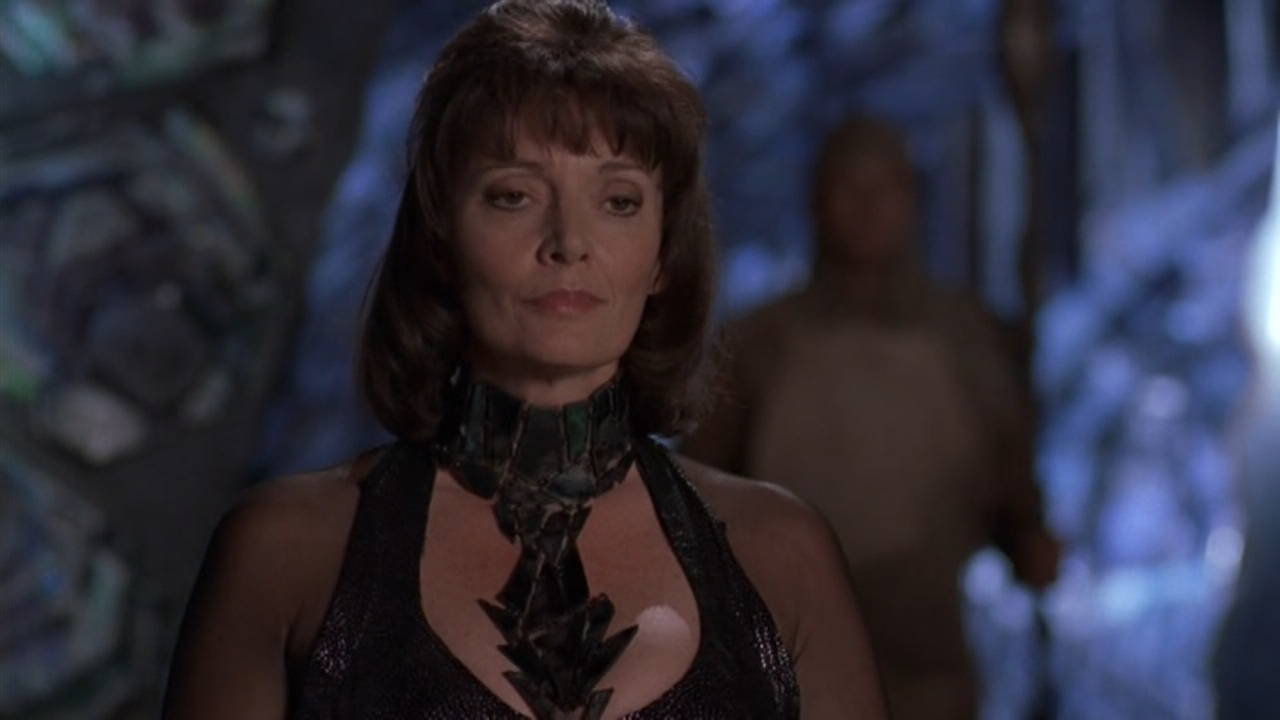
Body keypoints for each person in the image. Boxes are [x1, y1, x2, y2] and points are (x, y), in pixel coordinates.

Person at [161, 2, 888, 718]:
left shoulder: (779, 558)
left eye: (618, 201)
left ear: (664, 255)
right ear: (440, 237)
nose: (568, 242)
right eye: (514, 195)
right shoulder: (293, 552)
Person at [681, 115, 1061, 720]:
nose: (868, 207)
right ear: (818, 202)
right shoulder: (762, 343)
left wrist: (1027, 537)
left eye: (885, 188)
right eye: (849, 188)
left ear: (910, 201)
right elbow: (696, 491)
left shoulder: (963, 338)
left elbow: (1009, 474)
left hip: (928, 652)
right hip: (791, 652)